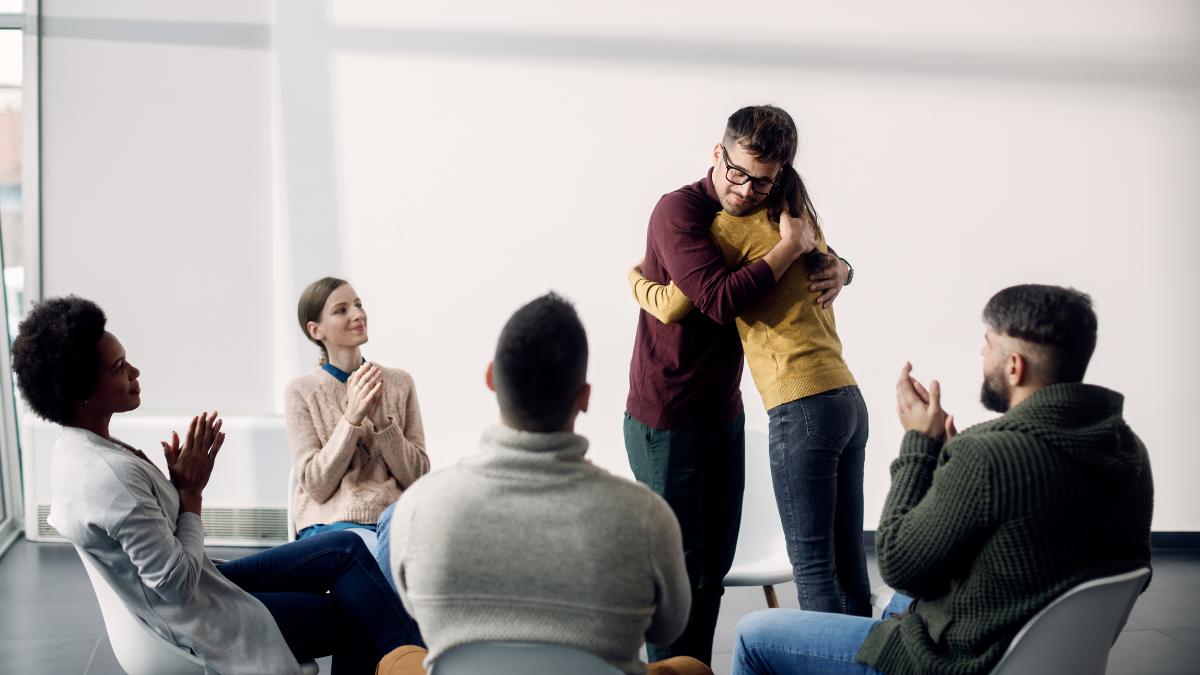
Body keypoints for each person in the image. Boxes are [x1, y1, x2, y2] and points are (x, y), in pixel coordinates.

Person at [732, 284, 1154, 675]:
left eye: (987, 345)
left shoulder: (991, 454)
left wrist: (920, 444)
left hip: (961, 659)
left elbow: (900, 565)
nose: (981, 355)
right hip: (1043, 648)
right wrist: (954, 467)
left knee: (754, 633)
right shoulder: (1127, 448)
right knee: (895, 603)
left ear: (1014, 366)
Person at [13, 296, 423, 674]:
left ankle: (406, 655)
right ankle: (410, 658)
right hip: (196, 614)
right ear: (81, 391)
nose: (135, 372)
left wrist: (178, 489)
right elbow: (175, 585)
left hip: (200, 582)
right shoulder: (107, 474)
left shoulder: (82, 446)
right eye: (119, 368)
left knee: (346, 548)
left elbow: (154, 539)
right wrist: (191, 494)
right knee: (355, 614)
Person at [624, 104, 852, 663]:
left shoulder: (777, 208)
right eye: (737, 173)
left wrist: (842, 267)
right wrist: (788, 249)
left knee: (712, 569)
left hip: (725, 412)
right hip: (666, 416)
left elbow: (812, 255)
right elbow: (718, 300)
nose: (747, 190)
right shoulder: (677, 211)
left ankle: (695, 668)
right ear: (717, 153)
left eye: (763, 181)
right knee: (676, 571)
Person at [389, 293, 711, 675]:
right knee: (690, 667)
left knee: (397, 660)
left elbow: (416, 609)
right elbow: (668, 628)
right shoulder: (645, 516)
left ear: (491, 377)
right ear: (584, 398)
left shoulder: (420, 505)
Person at [286, 277, 429, 587]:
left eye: (359, 305)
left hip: (392, 525)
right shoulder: (301, 391)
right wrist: (351, 420)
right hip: (331, 529)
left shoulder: (399, 382)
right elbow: (315, 485)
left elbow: (417, 478)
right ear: (316, 330)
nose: (357, 315)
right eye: (341, 310)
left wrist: (383, 424)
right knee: (390, 567)